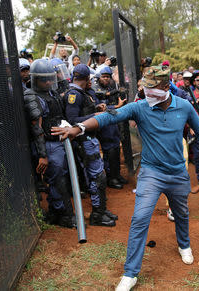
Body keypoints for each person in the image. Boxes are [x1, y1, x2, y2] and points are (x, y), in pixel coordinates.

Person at [51, 65, 199, 291]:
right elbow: (108, 117)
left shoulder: (184, 106)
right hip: (151, 173)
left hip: (178, 172)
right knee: (140, 218)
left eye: (151, 88)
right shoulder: (140, 107)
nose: (146, 92)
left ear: (165, 87)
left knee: (181, 213)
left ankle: (184, 244)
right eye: (144, 87)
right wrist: (79, 127)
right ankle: (130, 273)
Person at [23, 59, 75, 228]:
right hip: (48, 145)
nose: (48, 82)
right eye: (43, 79)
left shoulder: (52, 94)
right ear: (35, 79)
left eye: (50, 78)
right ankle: (63, 214)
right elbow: (37, 128)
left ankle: (56, 211)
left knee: (61, 177)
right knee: (56, 178)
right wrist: (43, 155)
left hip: (59, 141)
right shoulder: (32, 96)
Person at [64, 64, 117, 226]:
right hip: (83, 140)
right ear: (87, 79)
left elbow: (81, 113)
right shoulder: (73, 94)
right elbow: (72, 120)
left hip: (90, 139)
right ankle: (97, 215)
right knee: (96, 177)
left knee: (99, 175)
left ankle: (101, 209)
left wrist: (95, 108)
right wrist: (96, 115)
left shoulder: (82, 93)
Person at [92, 66, 128, 189]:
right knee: (110, 151)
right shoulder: (95, 89)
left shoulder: (111, 88)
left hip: (113, 123)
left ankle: (116, 175)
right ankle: (111, 178)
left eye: (108, 76)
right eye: (104, 76)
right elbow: (101, 109)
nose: (106, 79)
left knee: (116, 149)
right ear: (99, 77)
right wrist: (117, 107)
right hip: (105, 124)